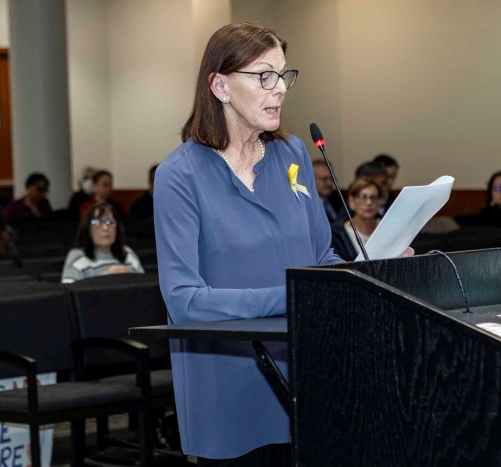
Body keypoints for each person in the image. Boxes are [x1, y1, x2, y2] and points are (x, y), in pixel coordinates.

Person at [154, 22, 411, 467]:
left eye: (284, 76)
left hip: (309, 373)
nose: (279, 90)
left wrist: (369, 270)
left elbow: (321, 257)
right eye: (263, 76)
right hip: (229, 384)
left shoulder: (292, 154)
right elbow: (184, 300)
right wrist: (296, 295)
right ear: (220, 86)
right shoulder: (180, 175)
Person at [61, 202, 143, 283]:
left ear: (117, 228)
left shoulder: (127, 252)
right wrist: (107, 279)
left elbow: (144, 286)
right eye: (97, 222)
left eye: (109, 222)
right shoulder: (77, 256)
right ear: (87, 228)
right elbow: (69, 292)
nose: (105, 228)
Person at [330, 177, 382, 260]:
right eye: (362, 196)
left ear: (379, 202)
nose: (369, 202)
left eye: (373, 197)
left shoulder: (387, 227)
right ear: (352, 201)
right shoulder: (336, 233)